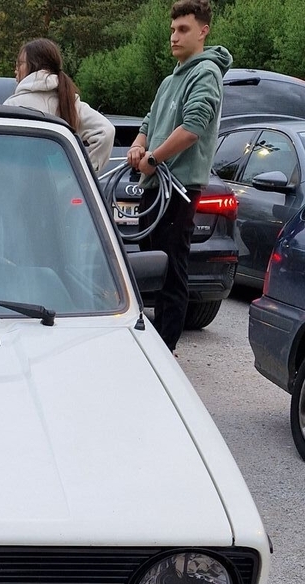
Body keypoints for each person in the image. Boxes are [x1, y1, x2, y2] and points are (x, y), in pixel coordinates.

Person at [127, 0, 231, 352]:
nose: (174, 36)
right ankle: (150, 342)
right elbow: (148, 122)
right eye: (172, 29)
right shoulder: (170, 79)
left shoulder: (206, 73)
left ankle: (165, 349)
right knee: (151, 267)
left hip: (179, 188)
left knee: (171, 269)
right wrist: (138, 146)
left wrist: (153, 158)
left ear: (203, 32)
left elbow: (193, 129)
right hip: (155, 187)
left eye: (183, 29)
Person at [3, 39, 115, 175]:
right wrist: (84, 175)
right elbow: (106, 131)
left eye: (19, 64)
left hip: (20, 184)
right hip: (59, 186)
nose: (15, 70)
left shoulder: (14, 105)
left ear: (34, 65)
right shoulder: (70, 101)